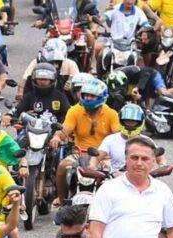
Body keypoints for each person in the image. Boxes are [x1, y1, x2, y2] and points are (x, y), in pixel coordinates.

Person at [49, 78, 121, 207]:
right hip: (79, 153)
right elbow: (65, 129)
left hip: (104, 157)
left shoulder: (111, 114)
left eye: (92, 96)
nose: (88, 98)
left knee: (115, 176)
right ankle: (62, 200)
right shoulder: (75, 110)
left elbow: (118, 136)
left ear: (102, 97)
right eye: (86, 95)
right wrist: (57, 137)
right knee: (62, 166)